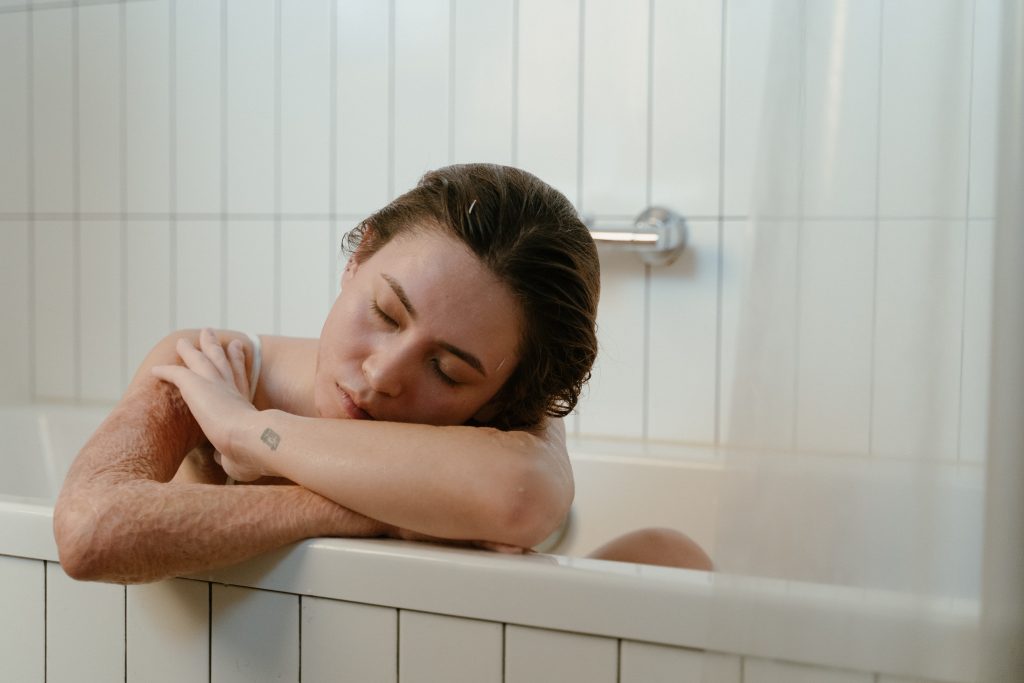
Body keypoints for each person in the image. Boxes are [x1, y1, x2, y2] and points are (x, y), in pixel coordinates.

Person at [53, 163, 710, 585]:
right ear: (359, 256)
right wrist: (377, 510)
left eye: (448, 370)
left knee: (672, 557)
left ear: (503, 401)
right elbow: (92, 530)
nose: (382, 371)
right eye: (387, 312)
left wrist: (254, 434)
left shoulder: (510, 419)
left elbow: (522, 499)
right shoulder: (212, 365)